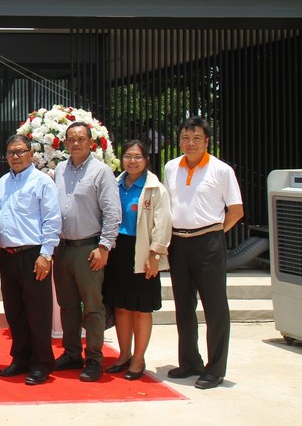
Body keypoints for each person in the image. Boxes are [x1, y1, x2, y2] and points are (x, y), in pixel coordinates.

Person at [163, 117, 243, 390]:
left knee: (215, 307)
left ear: (207, 141)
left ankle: (215, 368)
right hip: (178, 243)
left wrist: (216, 232)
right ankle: (190, 361)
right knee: (184, 306)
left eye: (197, 138)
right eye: (185, 138)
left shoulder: (221, 170)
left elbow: (236, 210)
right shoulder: (171, 167)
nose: (191, 143)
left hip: (209, 243)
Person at [52, 121, 120, 382]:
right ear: (65, 143)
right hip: (63, 249)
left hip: (90, 249)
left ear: (91, 142)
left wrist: (105, 246)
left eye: (81, 139)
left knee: (92, 307)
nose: (76, 143)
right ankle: (71, 353)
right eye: (71, 139)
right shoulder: (60, 170)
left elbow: (112, 211)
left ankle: (93, 358)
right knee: (67, 305)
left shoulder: (101, 171)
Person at [0, 135, 60, 386]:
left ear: (31, 154)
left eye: (20, 151)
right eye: (11, 152)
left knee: (38, 312)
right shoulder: (2, 182)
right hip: (8, 256)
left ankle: (41, 363)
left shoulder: (42, 182)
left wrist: (46, 254)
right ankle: (20, 358)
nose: (15, 156)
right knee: (14, 311)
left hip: (34, 255)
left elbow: (52, 219)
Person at [104, 140, 171, 381]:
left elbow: (163, 225)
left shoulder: (155, 189)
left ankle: (139, 359)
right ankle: (124, 355)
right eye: (128, 156)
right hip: (118, 252)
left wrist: (155, 255)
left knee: (141, 308)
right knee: (121, 306)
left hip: (143, 251)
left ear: (146, 160)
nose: (132, 161)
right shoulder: (115, 185)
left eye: (138, 157)